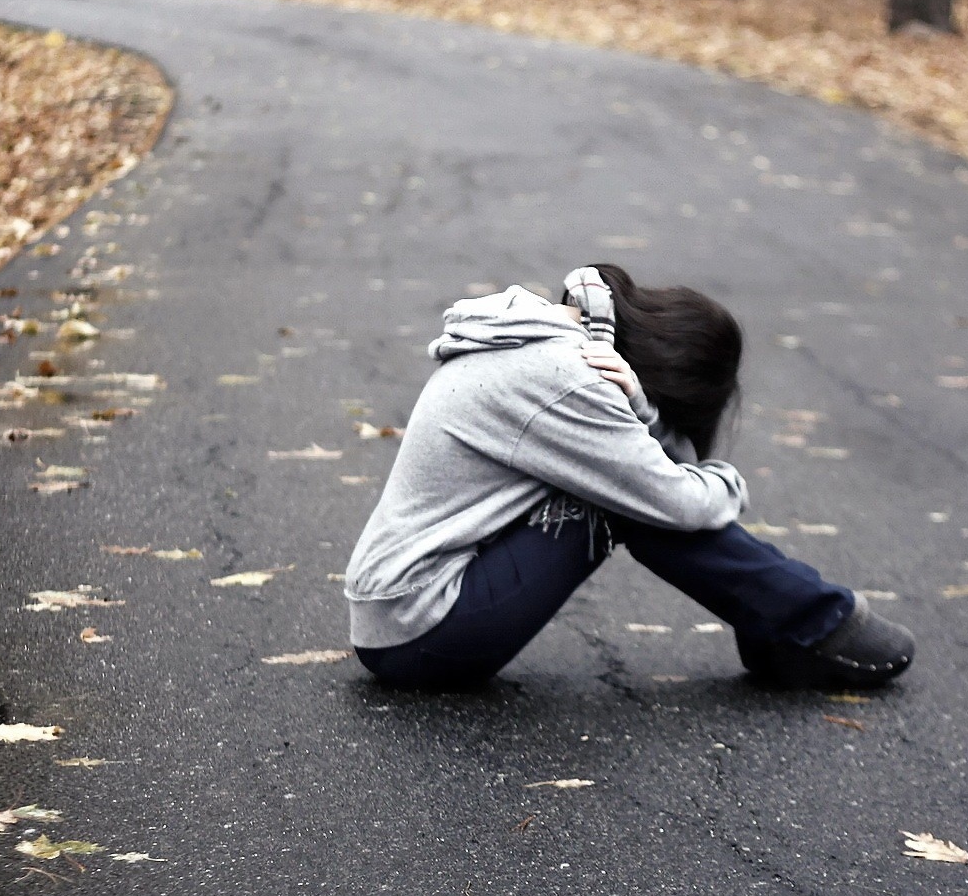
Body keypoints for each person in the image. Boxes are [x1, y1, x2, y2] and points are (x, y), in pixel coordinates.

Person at [342, 264, 914, 690]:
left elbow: (649, 469)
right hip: (421, 632)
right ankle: (809, 625)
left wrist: (640, 409)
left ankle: (788, 623)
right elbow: (677, 498)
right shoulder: (569, 378)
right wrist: (726, 480)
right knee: (622, 501)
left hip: (399, 615)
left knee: (626, 487)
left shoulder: (548, 338)